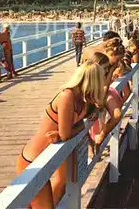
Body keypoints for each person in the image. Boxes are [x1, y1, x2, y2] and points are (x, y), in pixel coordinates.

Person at [16, 61, 105, 208]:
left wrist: (89, 116)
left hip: (51, 158)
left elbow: (91, 113)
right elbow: (65, 134)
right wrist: (81, 125)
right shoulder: (67, 95)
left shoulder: (82, 100)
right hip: (33, 161)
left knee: (59, 191)